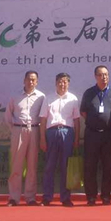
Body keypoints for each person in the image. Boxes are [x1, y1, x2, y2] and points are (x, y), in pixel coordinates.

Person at [80, 65, 111, 206]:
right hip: (92, 134)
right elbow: (83, 112)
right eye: (101, 75)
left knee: (108, 166)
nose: (104, 77)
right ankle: (91, 196)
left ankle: (106, 196)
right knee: (90, 166)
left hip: (108, 135)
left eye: (106, 74)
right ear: (95, 76)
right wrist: (95, 121)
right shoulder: (89, 93)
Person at [39, 72, 81, 207]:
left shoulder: (73, 99)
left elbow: (77, 120)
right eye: (60, 82)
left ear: (68, 83)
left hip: (67, 133)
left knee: (66, 167)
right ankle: (47, 197)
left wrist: (76, 138)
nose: (62, 84)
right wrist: (42, 139)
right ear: (56, 83)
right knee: (49, 166)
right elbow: (43, 119)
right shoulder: (48, 98)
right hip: (51, 133)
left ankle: (66, 198)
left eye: (65, 82)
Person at [5, 70, 45, 206]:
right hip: (18, 131)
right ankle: (13, 197)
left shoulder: (41, 97)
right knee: (16, 165)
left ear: (37, 82)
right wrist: (15, 130)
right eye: (28, 79)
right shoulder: (15, 96)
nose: (31, 82)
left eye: (33, 80)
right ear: (24, 80)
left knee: (32, 166)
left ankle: (30, 197)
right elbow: (8, 116)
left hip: (34, 130)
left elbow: (43, 116)